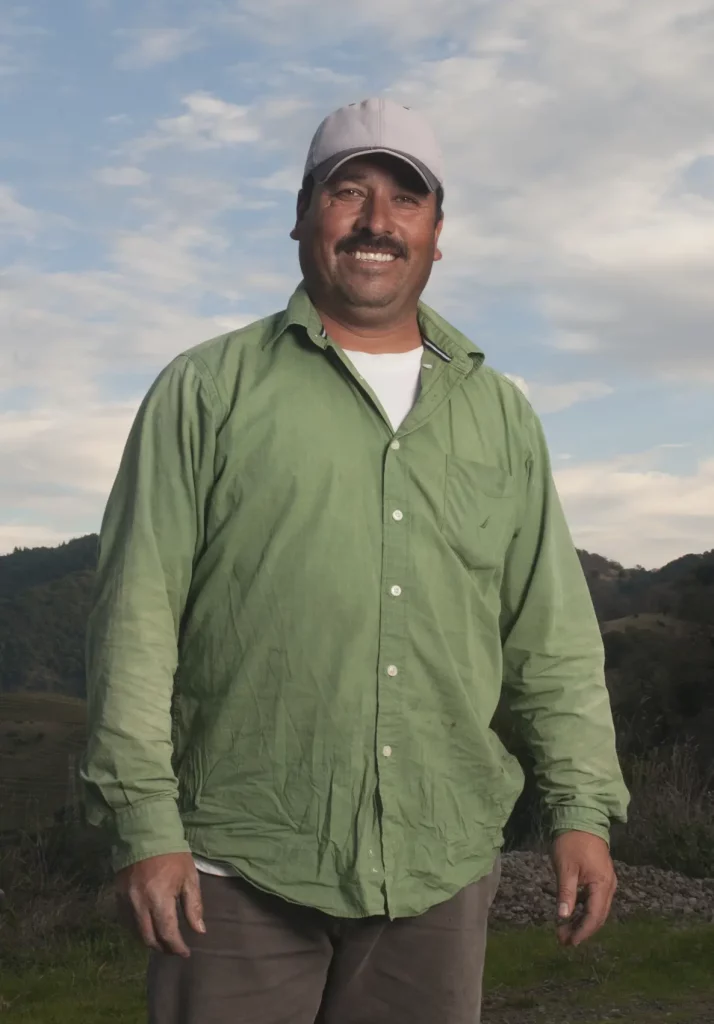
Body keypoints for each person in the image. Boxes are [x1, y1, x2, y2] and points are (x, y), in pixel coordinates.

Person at [81, 97, 630, 1024]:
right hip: (237, 869)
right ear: (303, 216)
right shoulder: (206, 390)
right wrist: (144, 824)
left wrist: (581, 809)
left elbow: (552, 635)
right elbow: (134, 619)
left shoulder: (500, 414)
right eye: (349, 192)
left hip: (439, 868)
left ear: (437, 232)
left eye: (405, 200)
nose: (377, 222)